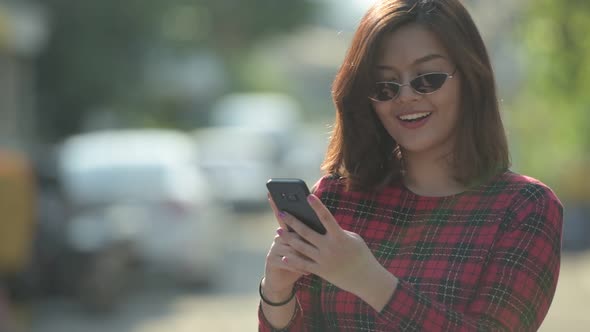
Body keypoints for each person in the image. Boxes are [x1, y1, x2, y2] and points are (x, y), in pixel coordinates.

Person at [258, 0, 563, 331]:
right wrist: (276, 292)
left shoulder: (524, 209)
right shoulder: (334, 201)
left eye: (427, 79)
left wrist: (368, 279)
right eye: (385, 85)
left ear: (470, 77)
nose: (405, 96)